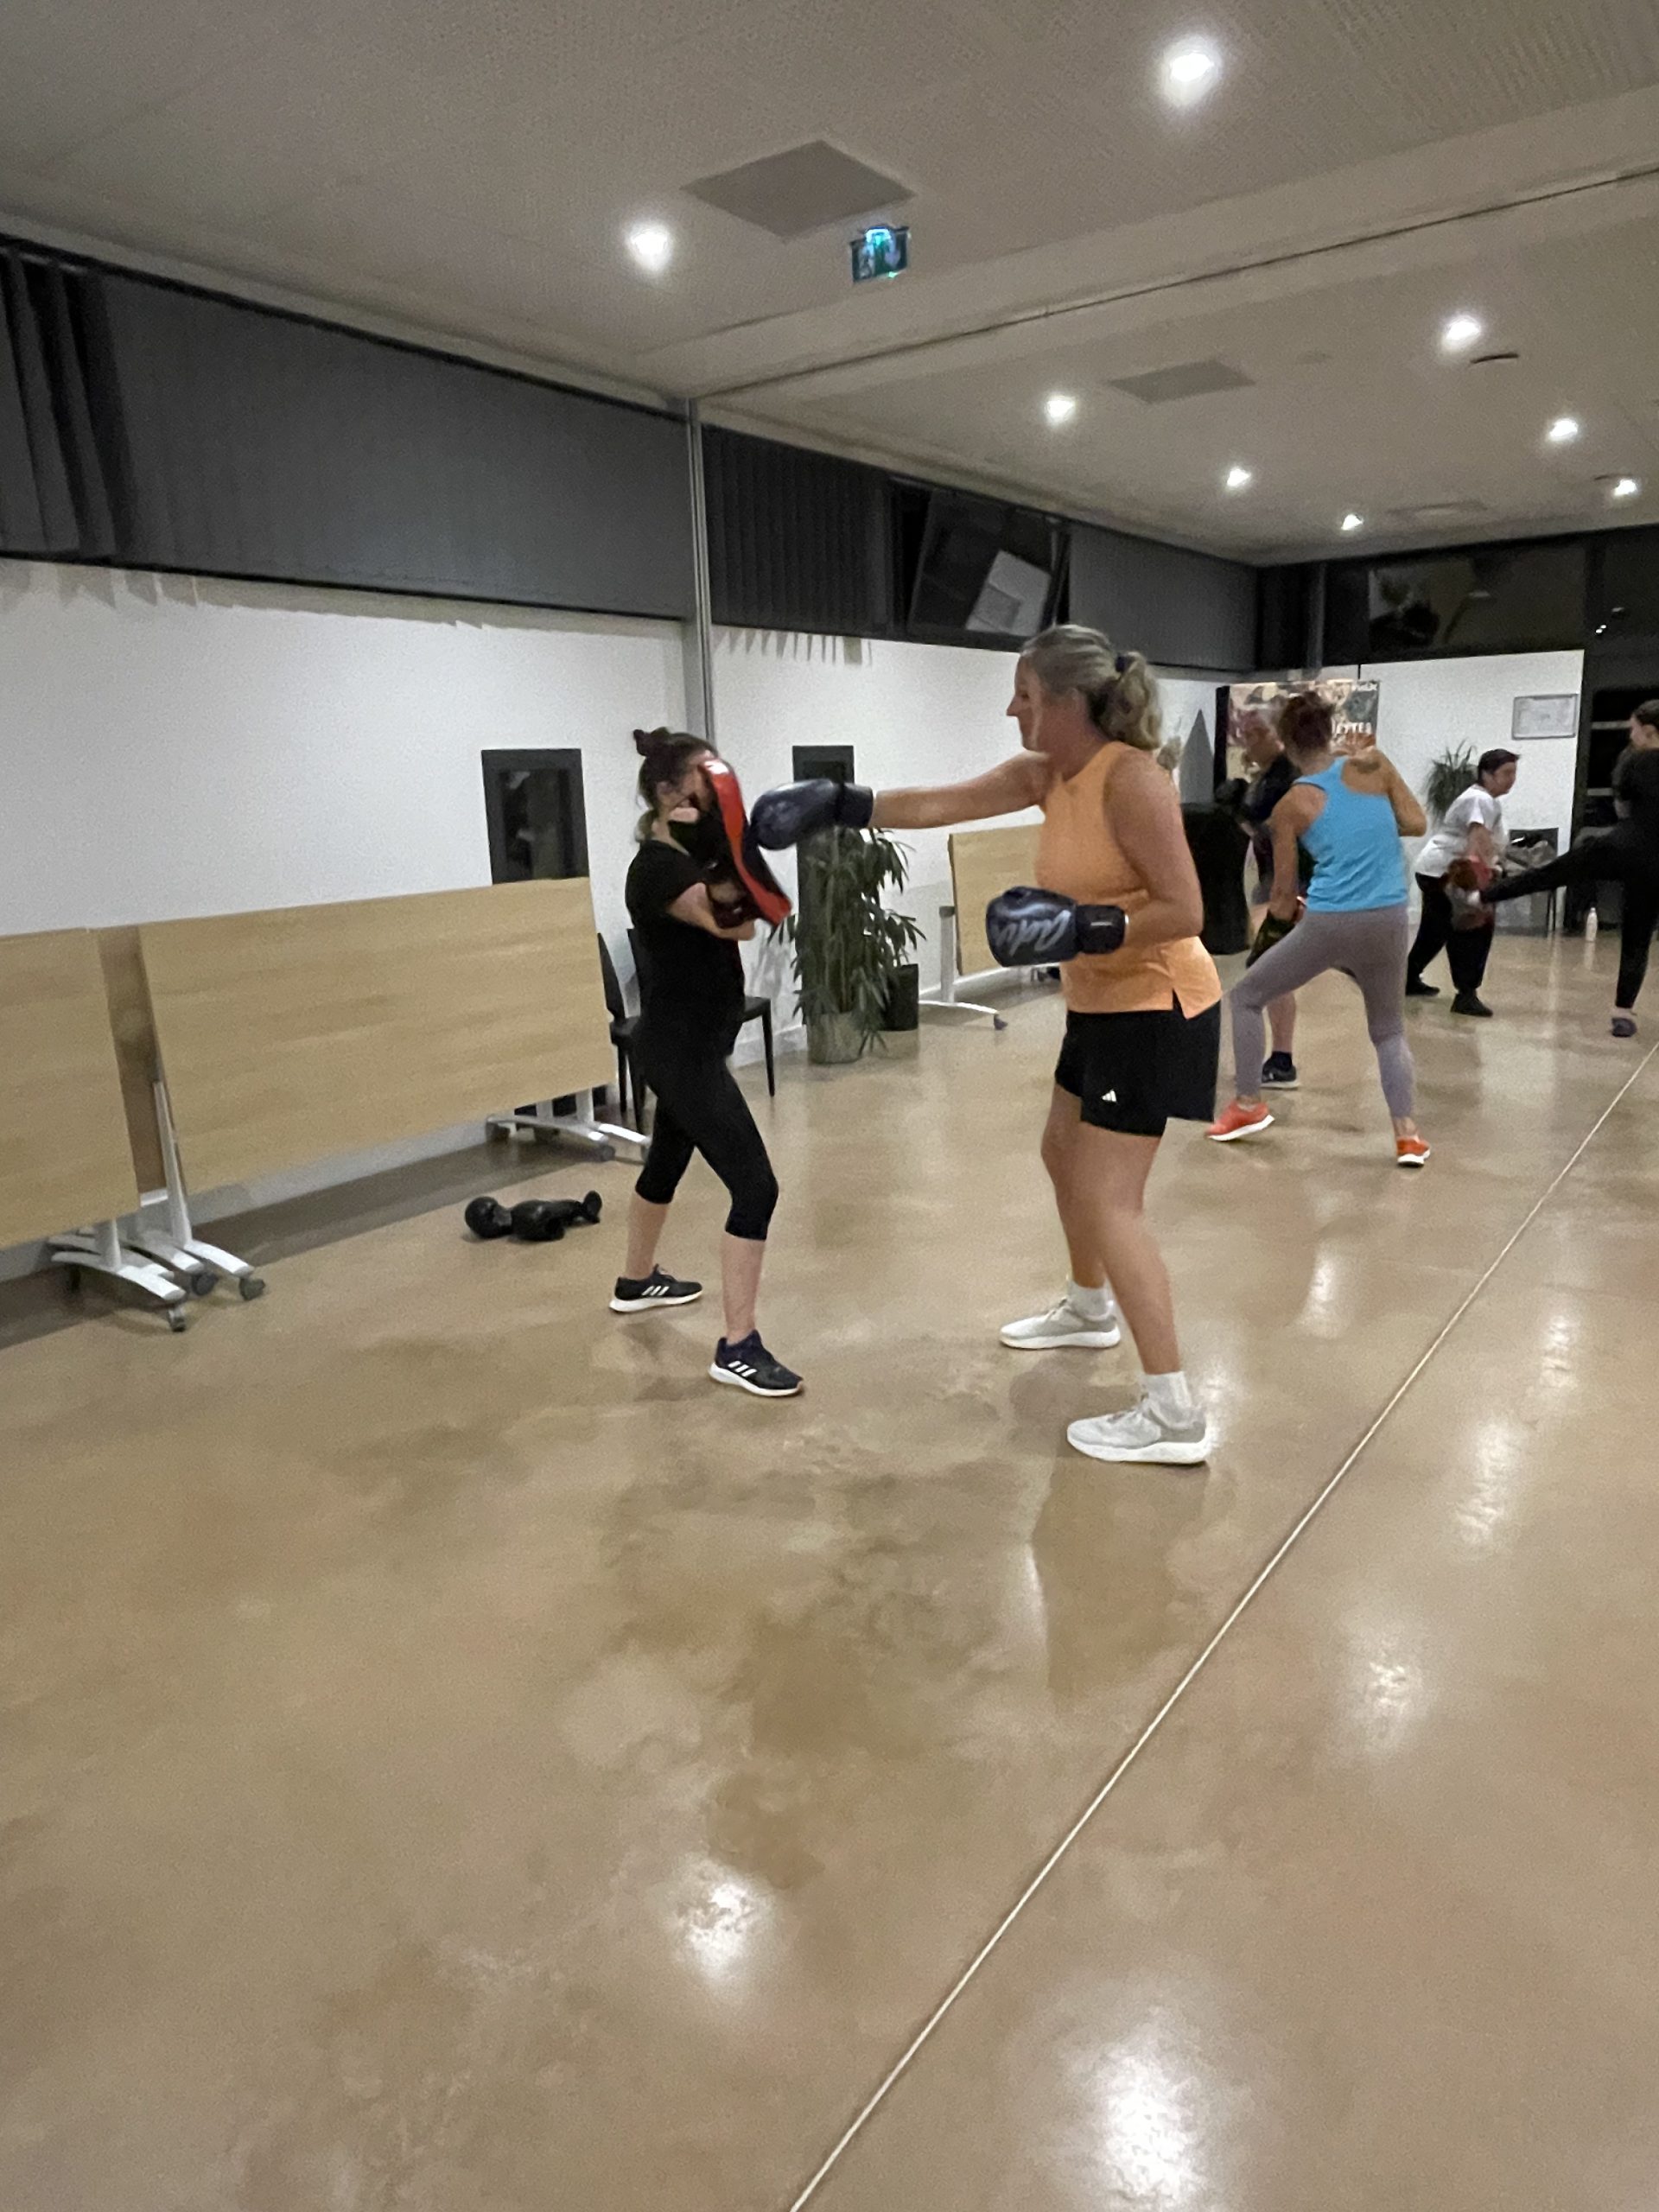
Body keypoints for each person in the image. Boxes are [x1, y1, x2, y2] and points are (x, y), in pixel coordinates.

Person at [752, 624, 1221, 1468]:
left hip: (1157, 1004)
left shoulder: (1133, 781)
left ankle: (1174, 1410)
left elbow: (1188, 909)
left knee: (1112, 1199)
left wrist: (1084, 924)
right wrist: (838, 804)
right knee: (1059, 1152)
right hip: (1101, 1003)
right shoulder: (1051, 775)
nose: (1013, 708)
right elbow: (942, 802)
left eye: (1027, 696)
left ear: (1071, 703)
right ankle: (1087, 1308)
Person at [614, 728, 800, 1397]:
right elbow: (735, 922)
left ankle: (636, 1282)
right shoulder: (660, 869)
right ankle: (738, 1346)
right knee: (757, 1188)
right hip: (682, 1050)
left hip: (689, 1043)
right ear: (668, 795)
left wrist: (721, 847)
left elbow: (749, 914)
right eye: (702, 779)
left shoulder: (684, 859)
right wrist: (719, 850)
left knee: (666, 1160)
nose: (717, 788)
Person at [1209, 691, 1431, 1166]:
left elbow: (1285, 898)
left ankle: (1248, 1104)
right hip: (1391, 915)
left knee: (1246, 997)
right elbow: (1415, 822)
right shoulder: (1375, 766)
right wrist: (1368, 818)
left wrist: (1275, 928)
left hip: (1330, 920)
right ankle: (1407, 1136)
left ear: (1287, 745)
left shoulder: (1291, 803)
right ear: (1331, 732)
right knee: (1389, 1030)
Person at [1479, 703, 1659, 1039]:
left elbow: (1623, 805)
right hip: (1655, 861)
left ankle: (1484, 894)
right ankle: (1622, 1013)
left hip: (1625, 845)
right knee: (1638, 936)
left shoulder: (1636, 761)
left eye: (1634, 729)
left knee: (1551, 873)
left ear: (1649, 732)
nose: (1630, 736)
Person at [1227, 705, 1308, 1088]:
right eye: (1246, 733)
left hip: (1291, 887)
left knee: (1266, 975)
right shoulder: (1270, 776)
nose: (1250, 740)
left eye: (1258, 732)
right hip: (1275, 884)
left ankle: (1280, 1060)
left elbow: (1269, 825)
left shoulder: (1287, 777)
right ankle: (1281, 1058)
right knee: (1275, 975)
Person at [1406, 747, 1519, 1016]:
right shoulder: (1481, 800)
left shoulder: (1483, 799)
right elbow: (1477, 842)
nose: (1512, 779)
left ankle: (1407, 978)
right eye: (1506, 773)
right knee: (1471, 930)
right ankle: (1466, 994)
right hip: (1448, 874)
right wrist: (1483, 879)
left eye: (1514, 773)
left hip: (1435, 870)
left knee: (1436, 928)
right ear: (1486, 774)